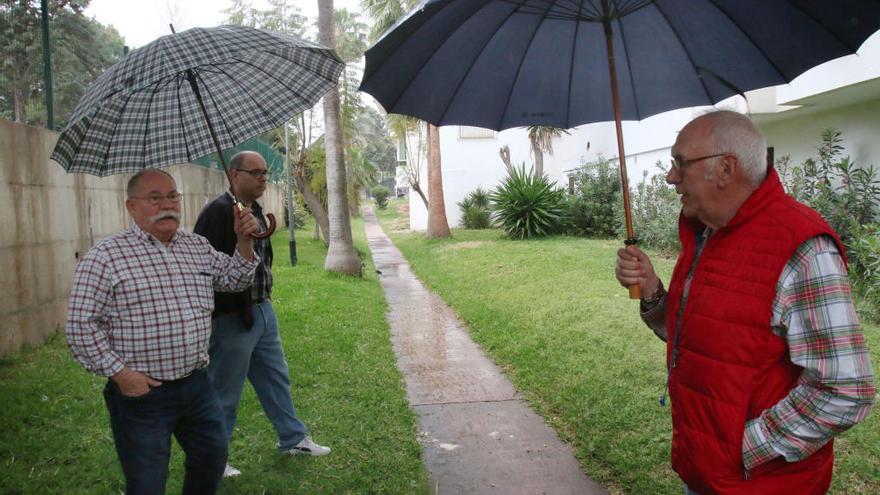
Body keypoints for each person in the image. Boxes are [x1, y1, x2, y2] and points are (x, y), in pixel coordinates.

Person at [615, 111, 875, 495]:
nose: (671, 177)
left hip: (762, 483)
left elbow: (845, 389)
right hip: (705, 473)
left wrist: (742, 446)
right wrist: (653, 290)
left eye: (680, 163)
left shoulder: (801, 247)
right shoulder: (705, 235)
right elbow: (694, 338)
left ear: (725, 169)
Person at [66, 169, 262, 494]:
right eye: (154, 198)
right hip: (143, 395)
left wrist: (243, 242)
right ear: (131, 207)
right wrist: (121, 374)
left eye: (172, 196)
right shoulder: (106, 257)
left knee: (212, 457)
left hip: (197, 385)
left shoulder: (196, 246)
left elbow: (233, 279)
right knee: (147, 482)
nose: (167, 205)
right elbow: (80, 326)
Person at [194, 151, 330, 478]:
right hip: (231, 319)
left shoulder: (251, 209)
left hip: (262, 310)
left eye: (265, 173)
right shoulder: (216, 213)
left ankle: (293, 438)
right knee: (225, 391)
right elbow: (204, 270)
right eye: (254, 173)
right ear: (234, 175)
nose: (262, 179)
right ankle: (214, 459)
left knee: (275, 379)